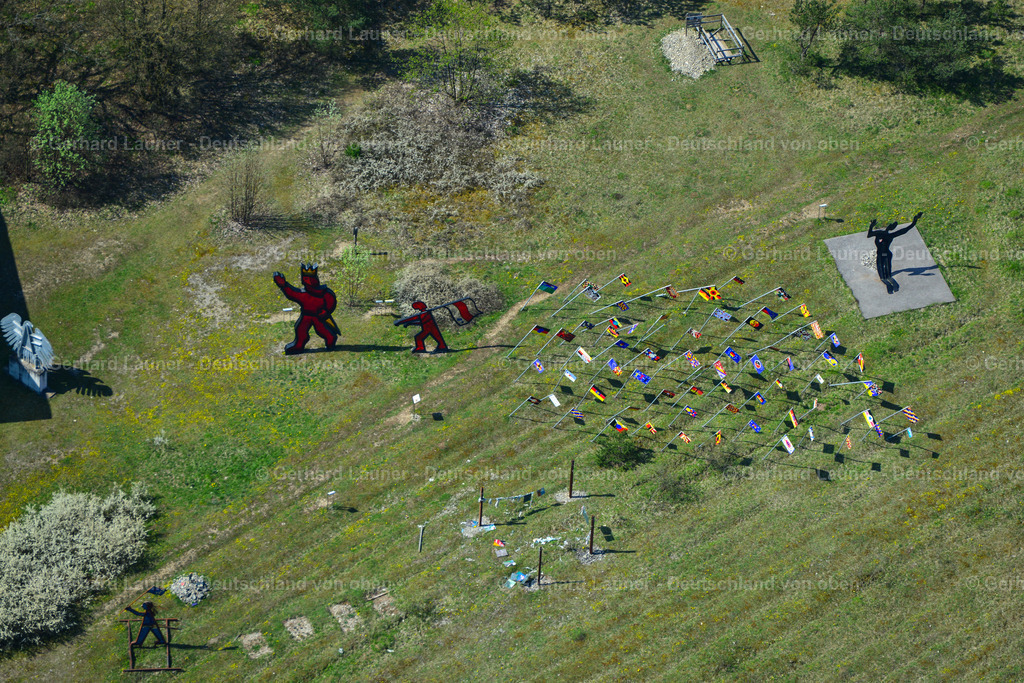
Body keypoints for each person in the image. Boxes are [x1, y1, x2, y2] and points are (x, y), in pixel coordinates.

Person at [272, 263, 339, 354]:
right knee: (300, 329)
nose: (308, 281)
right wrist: (283, 285)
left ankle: (331, 339)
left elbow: (331, 301)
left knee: (322, 330)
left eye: (310, 279)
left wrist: (326, 311)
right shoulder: (303, 294)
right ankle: (298, 345)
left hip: (317, 315)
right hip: (306, 315)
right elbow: (292, 293)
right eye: (306, 279)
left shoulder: (323, 292)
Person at [867, 212, 922, 294]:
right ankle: (885, 279)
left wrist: (914, 221)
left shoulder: (886, 235)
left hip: (886, 254)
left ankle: (888, 277)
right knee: (880, 267)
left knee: (886, 268)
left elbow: (904, 230)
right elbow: (869, 235)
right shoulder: (880, 234)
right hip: (882, 254)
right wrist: (871, 226)